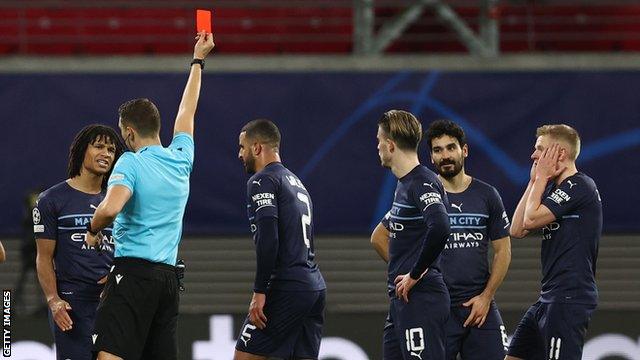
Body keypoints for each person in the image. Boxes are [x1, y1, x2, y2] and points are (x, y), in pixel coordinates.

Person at [85, 32, 214, 360]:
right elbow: (188, 109)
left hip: (133, 275)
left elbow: (111, 209)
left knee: (108, 355)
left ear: (128, 133)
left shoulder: (130, 162)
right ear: (157, 127)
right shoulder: (182, 157)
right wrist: (198, 60)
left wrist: (93, 228)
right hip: (168, 281)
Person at [507, 124, 601, 360]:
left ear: (559, 154)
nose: (533, 155)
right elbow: (516, 229)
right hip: (547, 298)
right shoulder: (551, 190)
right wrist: (532, 183)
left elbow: (530, 219)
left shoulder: (580, 185)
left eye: (540, 149)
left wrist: (540, 179)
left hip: (569, 298)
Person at [235, 119, 326, 360]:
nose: (239, 154)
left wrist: (260, 290)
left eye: (242, 147)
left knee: (244, 357)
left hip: (286, 286)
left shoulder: (262, 180)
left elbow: (269, 237)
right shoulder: (297, 183)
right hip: (313, 286)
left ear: (257, 148)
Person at [34, 124, 124, 360]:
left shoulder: (118, 199)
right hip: (73, 303)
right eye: (99, 147)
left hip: (114, 300)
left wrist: (118, 274)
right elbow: (43, 257)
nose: (106, 153)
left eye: (111, 150)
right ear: (82, 150)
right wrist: (54, 300)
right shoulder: (51, 200)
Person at [425, 120, 511, 359]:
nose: (445, 155)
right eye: (437, 150)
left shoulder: (487, 195)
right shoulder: (422, 196)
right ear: (431, 157)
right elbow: (380, 236)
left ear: (464, 150)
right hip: (439, 308)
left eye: (450, 147)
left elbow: (503, 251)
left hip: (479, 306)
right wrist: (414, 276)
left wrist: (486, 296)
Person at [370, 110, 451, 360]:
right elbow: (378, 237)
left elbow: (440, 225)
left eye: (379, 141)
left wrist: (415, 273)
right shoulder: (404, 185)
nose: (378, 147)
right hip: (402, 299)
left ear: (390, 145)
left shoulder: (421, 182)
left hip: (421, 298)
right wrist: (402, 269)